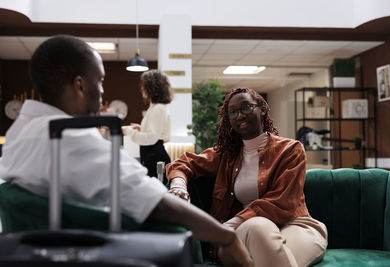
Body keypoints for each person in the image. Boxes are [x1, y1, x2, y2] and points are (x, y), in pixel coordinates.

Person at [0, 35, 253, 267]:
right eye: (99, 81)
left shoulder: (19, 133)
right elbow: (156, 203)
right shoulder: (71, 138)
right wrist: (226, 237)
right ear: (79, 85)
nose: (101, 92)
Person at [167, 87, 328, 267]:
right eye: (233, 112)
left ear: (262, 109)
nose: (240, 116)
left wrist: (229, 225)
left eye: (246, 108)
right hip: (248, 228)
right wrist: (179, 185)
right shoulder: (227, 156)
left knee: (272, 255)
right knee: (258, 226)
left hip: (295, 225)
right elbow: (184, 163)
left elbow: (281, 201)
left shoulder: (290, 150)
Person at [122, 69, 172, 181]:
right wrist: (142, 129)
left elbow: (151, 138)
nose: (142, 88)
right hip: (152, 156)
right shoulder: (156, 107)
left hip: (155, 158)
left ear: (151, 87)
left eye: (144, 85)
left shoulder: (158, 108)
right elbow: (159, 134)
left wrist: (129, 131)